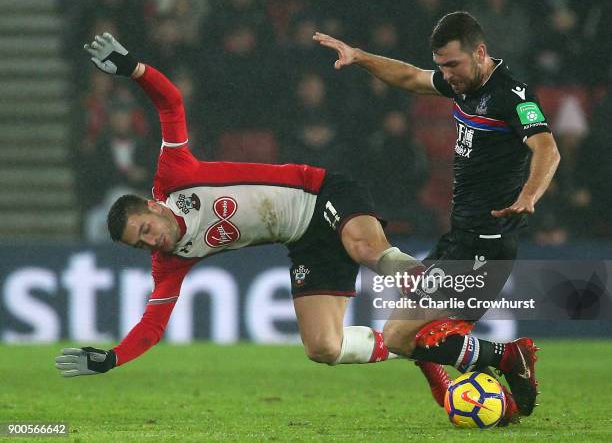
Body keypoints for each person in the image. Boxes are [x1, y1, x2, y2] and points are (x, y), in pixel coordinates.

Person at [56, 33, 538, 427]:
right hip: (304, 241)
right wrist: (112, 359)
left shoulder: (174, 173)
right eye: (139, 244)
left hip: (323, 192)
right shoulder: (172, 259)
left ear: (152, 205)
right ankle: (432, 347)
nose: (150, 242)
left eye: (144, 229)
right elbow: (153, 326)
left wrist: (133, 68)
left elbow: (170, 102)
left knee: (366, 246)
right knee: (323, 348)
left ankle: (423, 296)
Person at [314, 11, 560, 422]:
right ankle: (486, 371)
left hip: (487, 246)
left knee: (401, 336)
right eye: (442, 66)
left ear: (480, 52)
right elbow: (410, 77)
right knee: (409, 333)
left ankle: (506, 357)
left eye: (453, 65)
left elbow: (547, 148)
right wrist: (359, 56)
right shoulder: (462, 83)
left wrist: (530, 194)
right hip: (459, 238)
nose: (446, 75)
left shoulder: (511, 95)